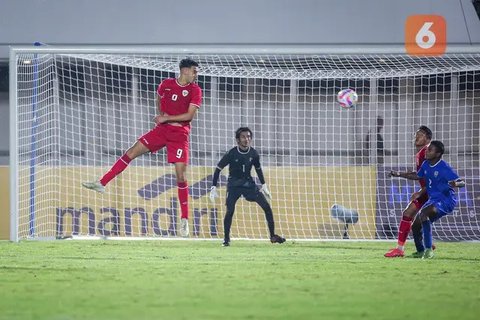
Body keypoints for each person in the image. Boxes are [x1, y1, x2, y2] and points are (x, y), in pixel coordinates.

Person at [82, 58, 202, 237]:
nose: (196, 74)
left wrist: (166, 118)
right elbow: (159, 99)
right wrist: (162, 115)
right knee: (131, 152)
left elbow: (190, 116)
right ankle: (102, 182)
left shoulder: (195, 90)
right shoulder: (166, 85)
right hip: (161, 131)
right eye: (194, 70)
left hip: (179, 135)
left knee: (181, 175)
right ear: (185, 71)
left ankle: (184, 220)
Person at [209, 127, 286, 246]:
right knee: (230, 210)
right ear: (238, 140)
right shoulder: (231, 153)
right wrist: (213, 186)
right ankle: (226, 239)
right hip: (234, 185)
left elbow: (258, 169)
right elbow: (218, 169)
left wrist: (264, 185)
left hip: (248, 184)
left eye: (249, 137)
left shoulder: (254, 153)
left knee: (267, 207)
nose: (247, 139)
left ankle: (272, 236)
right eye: (243, 137)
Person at [385, 126, 433, 258]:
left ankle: (405, 248)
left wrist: (421, 192)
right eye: (416, 134)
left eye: (420, 134)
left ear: (428, 138)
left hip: (433, 191)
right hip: (428, 191)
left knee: (413, 216)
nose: (416, 137)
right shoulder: (421, 153)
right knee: (411, 215)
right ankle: (416, 245)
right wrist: (399, 174)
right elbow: (419, 174)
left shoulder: (427, 151)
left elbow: (431, 176)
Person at [414, 140, 464, 258]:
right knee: (415, 225)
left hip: (447, 200)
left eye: (430, 150)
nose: (427, 151)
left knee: (424, 214)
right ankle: (421, 250)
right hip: (433, 200)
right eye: (427, 149)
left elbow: (462, 182)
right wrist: (399, 174)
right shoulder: (426, 164)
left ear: (437, 154)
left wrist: (455, 184)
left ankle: (428, 250)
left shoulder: (444, 167)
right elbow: (417, 175)